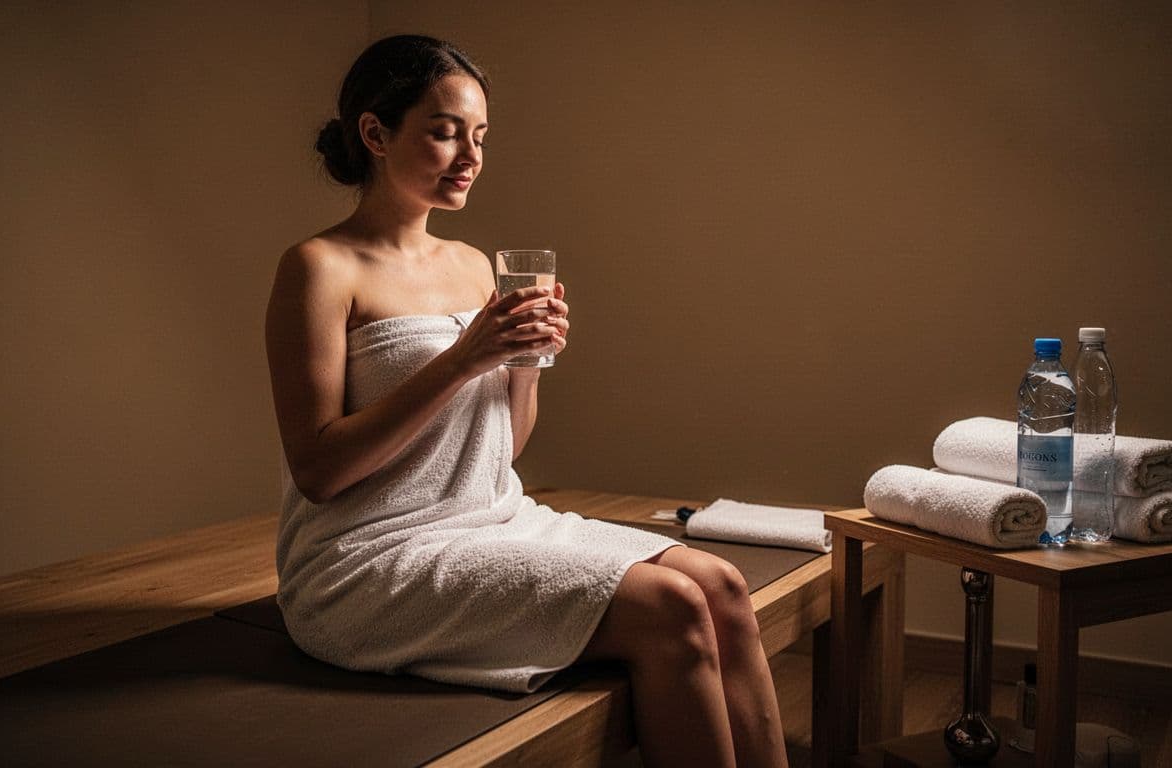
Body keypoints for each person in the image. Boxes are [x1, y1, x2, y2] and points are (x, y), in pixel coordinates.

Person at [264, 35, 787, 768]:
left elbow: (499, 451)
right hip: (369, 559)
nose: (470, 155)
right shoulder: (319, 268)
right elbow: (318, 470)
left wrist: (527, 365)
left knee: (721, 588)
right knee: (670, 610)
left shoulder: (475, 265)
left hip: (491, 519)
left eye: (479, 136)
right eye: (445, 132)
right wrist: (463, 359)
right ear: (376, 134)